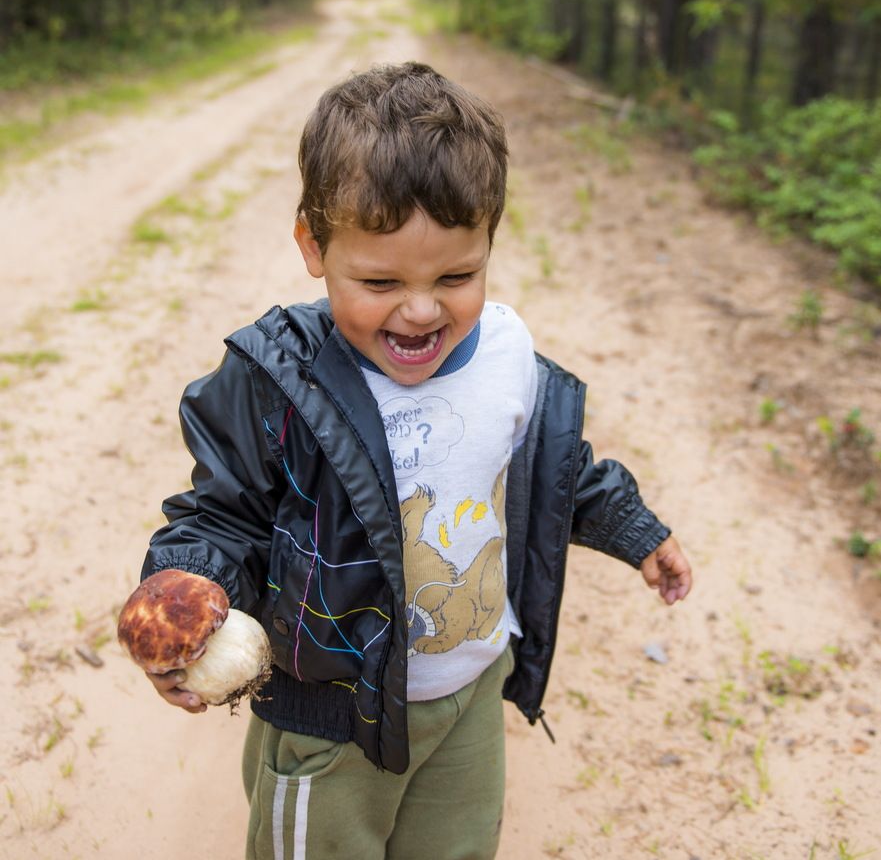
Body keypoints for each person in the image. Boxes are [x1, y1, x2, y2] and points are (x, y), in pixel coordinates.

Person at [139, 62, 692, 860]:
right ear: (313, 246)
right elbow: (220, 515)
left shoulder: (503, 352)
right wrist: (183, 593)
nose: (422, 308)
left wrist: (633, 528)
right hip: (332, 715)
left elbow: (550, 468)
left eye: (456, 275)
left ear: (489, 244)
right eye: (379, 280)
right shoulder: (279, 381)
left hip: (468, 694)